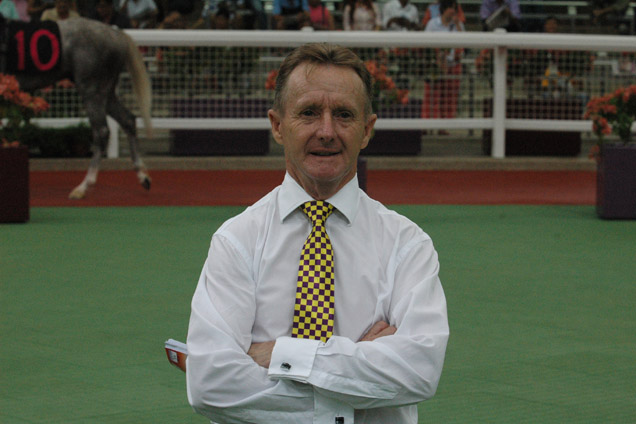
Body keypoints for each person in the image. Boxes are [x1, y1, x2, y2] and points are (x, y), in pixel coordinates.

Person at [186, 43, 449, 424]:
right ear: (278, 125)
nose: (326, 131)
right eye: (309, 113)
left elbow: (419, 372)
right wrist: (352, 371)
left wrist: (279, 355)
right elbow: (211, 384)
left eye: (343, 115)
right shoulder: (236, 241)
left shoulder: (407, 245)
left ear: (366, 130)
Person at [421, 0, 464, 130]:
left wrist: (457, 24)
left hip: (453, 65)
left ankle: (445, 126)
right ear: (444, 9)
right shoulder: (432, 24)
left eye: (455, 8)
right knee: (431, 96)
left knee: (450, 98)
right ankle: (427, 125)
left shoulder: (458, 24)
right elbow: (425, 44)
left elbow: (464, 43)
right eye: (451, 8)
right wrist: (438, 58)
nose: (454, 11)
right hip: (436, 66)